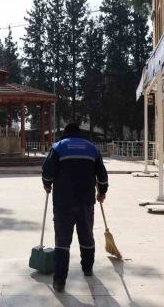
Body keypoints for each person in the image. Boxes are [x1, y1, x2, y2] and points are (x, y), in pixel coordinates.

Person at [41, 122, 109, 292]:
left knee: (63, 240)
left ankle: (60, 280)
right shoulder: (91, 148)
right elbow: (102, 175)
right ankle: (87, 267)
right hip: (85, 201)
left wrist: (47, 184)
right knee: (86, 235)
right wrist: (102, 192)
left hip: (63, 202)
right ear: (79, 134)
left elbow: (47, 171)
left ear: (65, 134)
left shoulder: (59, 147)